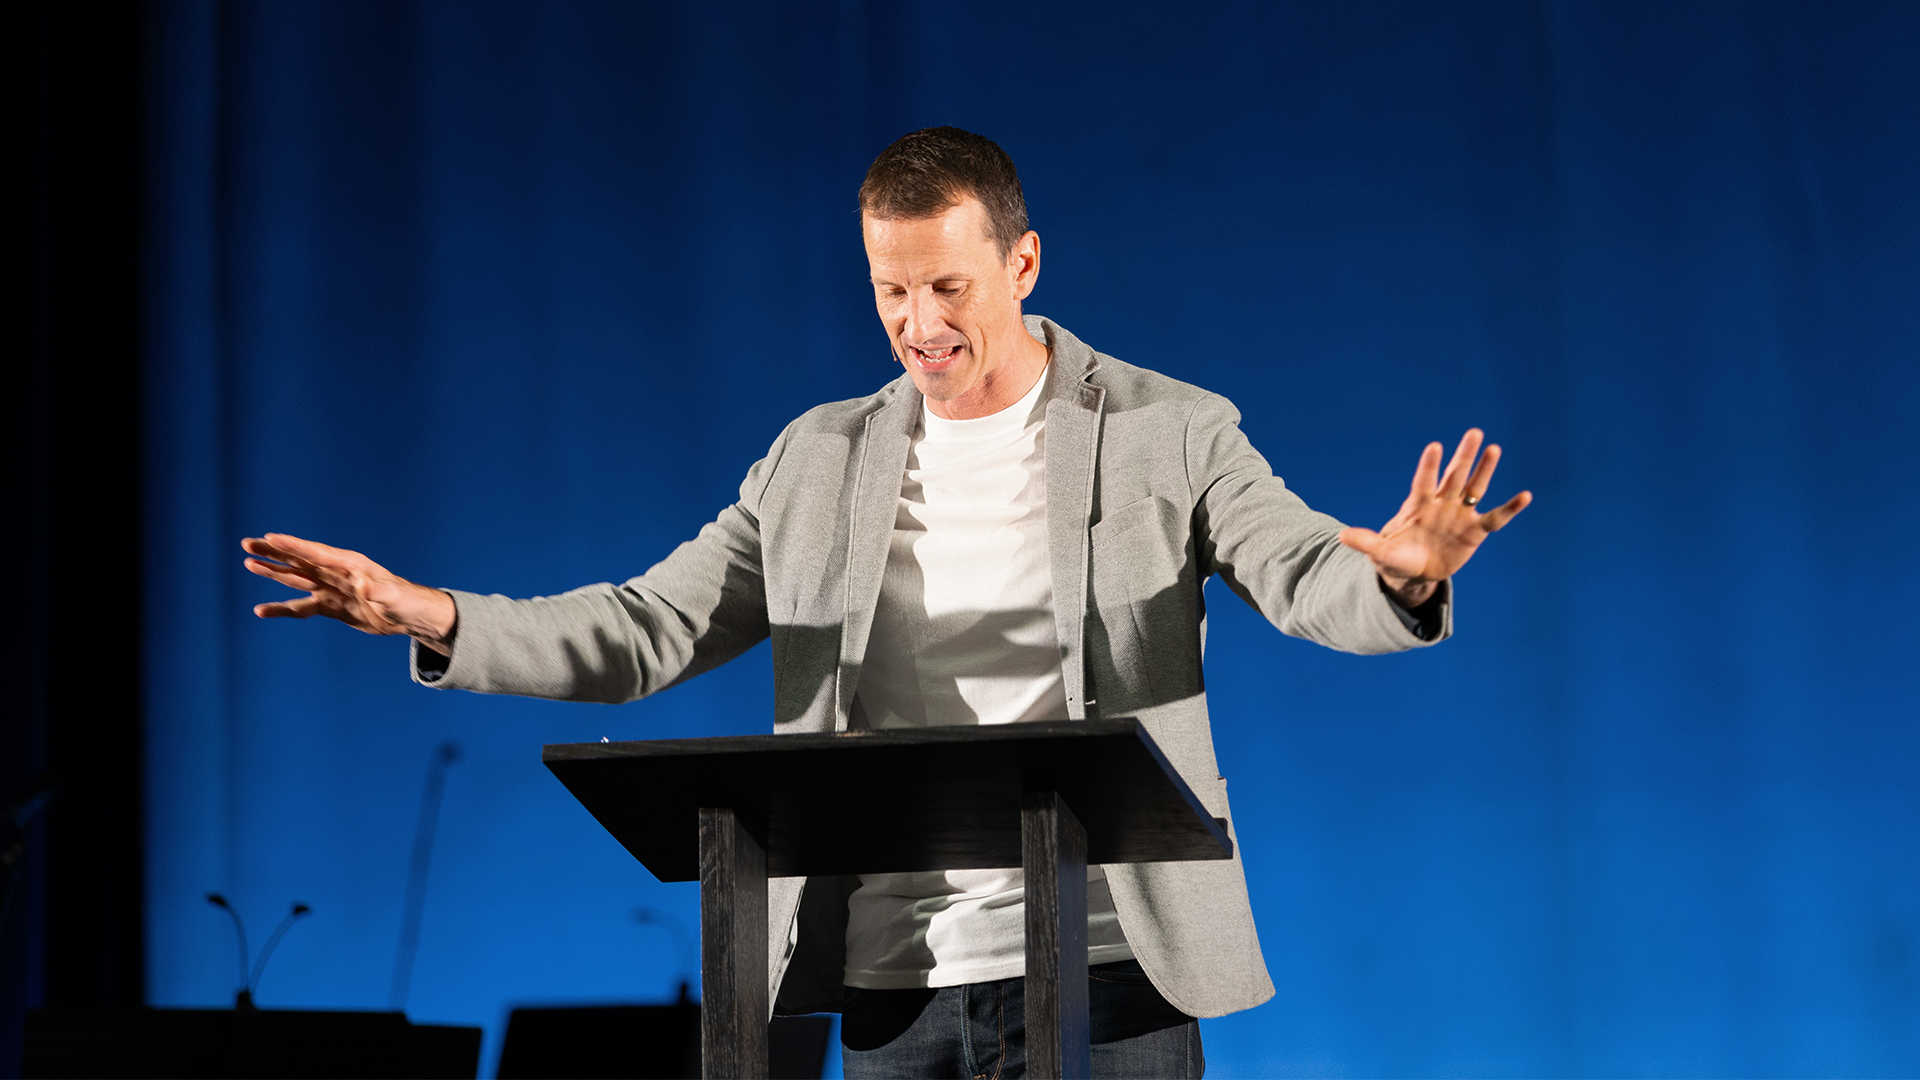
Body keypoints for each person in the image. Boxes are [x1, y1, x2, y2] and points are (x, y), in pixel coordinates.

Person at [243, 127, 1528, 1080]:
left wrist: (1400, 577)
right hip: (895, 983)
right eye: (890, 290)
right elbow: (646, 630)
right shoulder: (818, 460)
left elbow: (1302, 572)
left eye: (947, 287)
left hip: (1110, 971)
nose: (918, 324)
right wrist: (432, 614)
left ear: (1022, 262)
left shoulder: (1168, 431)